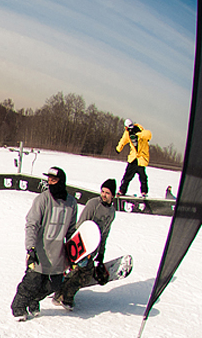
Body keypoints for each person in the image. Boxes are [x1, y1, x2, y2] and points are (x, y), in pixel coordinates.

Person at [10, 166, 78, 321]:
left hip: (58, 254)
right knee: (32, 282)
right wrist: (30, 248)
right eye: (49, 180)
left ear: (61, 182)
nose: (50, 183)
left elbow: (71, 231)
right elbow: (31, 224)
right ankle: (19, 307)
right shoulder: (42, 199)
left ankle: (34, 301)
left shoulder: (71, 203)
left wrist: (74, 255)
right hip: (40, 251)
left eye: (54, 180)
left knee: (54, 285)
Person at [51, 179, 117, 310]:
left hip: (92, 248)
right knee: (86, 274)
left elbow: (105, 233)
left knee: (79, 272)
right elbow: (81, 224)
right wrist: (76, 248)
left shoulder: (111, 212)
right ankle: (66, 297)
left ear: (113, 195)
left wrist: (101, 253)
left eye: (107, 193)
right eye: (102, 191)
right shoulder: (93, 204)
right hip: (81, 246)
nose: (104, 195)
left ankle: (59, 294)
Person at [116, 119, 152, 197]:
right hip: (133, 158)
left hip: (141, 159)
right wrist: (118, 148)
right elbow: (123, 141)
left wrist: (138, 134)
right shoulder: (127, 133)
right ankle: (122, 190)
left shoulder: (141, 131)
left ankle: (144, 192)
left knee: (143, 177)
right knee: (127, 176)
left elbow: (148, 135)